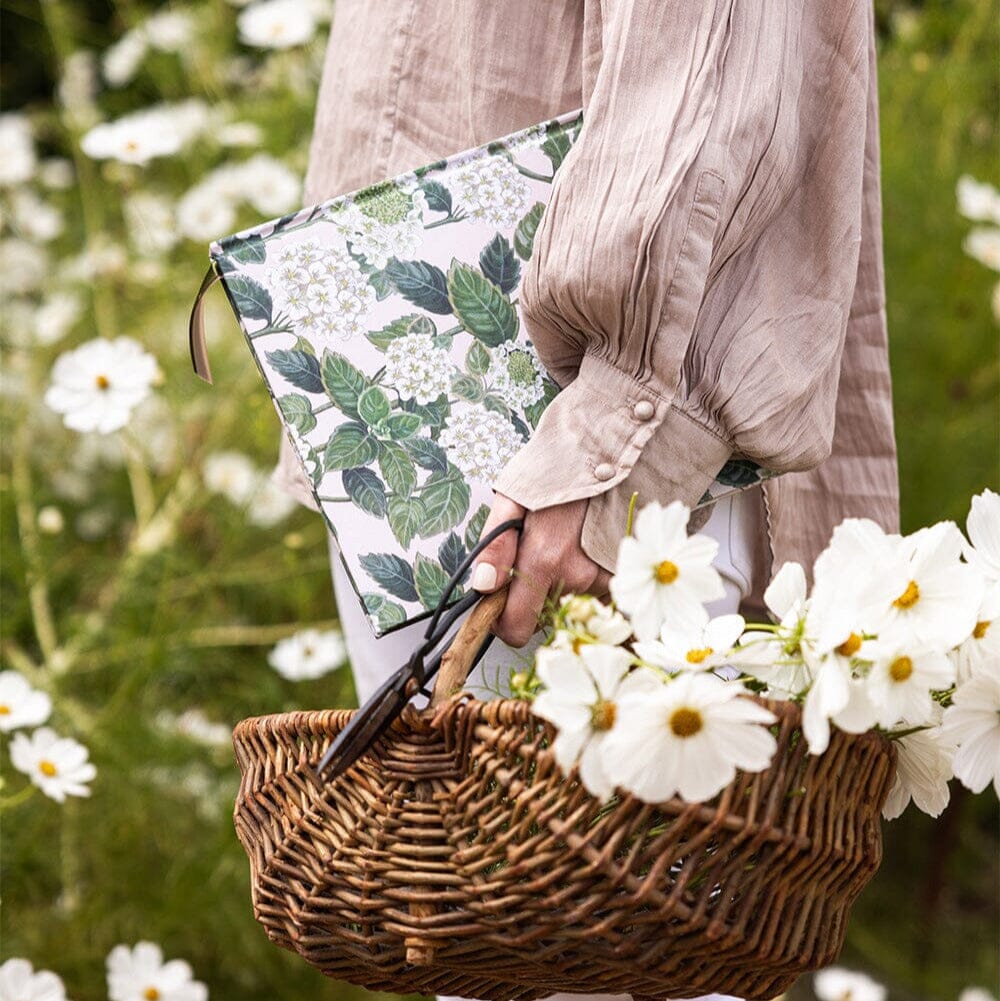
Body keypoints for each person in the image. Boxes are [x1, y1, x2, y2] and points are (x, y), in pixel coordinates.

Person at [269, 2, 900, 1000]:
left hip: (581, 473)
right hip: (418, 437)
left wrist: (610, 441)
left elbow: (716, 55)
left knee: (604, 959)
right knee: (499, 963)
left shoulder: (597, 456)